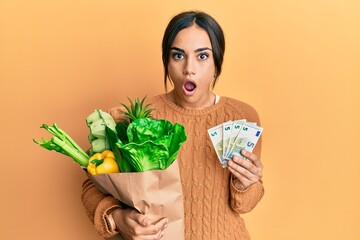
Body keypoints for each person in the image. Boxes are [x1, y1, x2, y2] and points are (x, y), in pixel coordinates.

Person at [81, 10, 264, 240]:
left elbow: (244, 205)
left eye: (202, 56)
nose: (189, 68)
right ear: (167, 63)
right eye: (178, 56)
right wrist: (117, 218)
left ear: (217, 65)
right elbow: (91, 187)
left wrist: (247, 183)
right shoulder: (138, 118)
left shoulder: (241, 117)